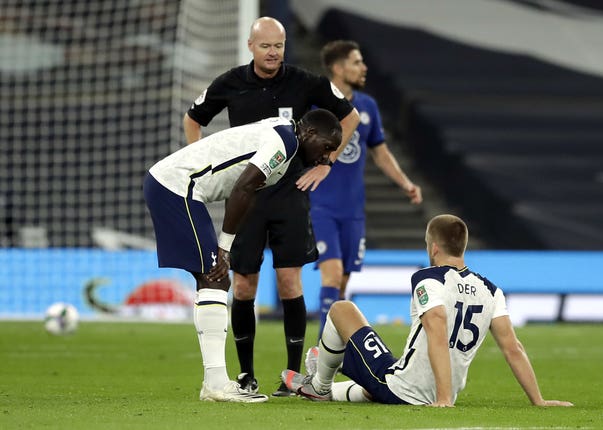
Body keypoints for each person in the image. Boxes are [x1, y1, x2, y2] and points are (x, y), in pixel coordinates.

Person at [183, 16, 359, 397]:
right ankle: (246, 375)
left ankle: (292, 376)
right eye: (265, 46)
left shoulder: (304, 81)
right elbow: (193, 119)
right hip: (246, 196)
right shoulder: (230, 82)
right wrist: (202, 162)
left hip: (289, 195)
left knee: (289, 282)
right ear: (250, 46)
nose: (273, 52)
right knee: (244, 285)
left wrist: (324, 165)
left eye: (278, 45)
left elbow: (350, 116)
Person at [144, 109, 343, 403]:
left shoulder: (285, 134)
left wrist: (225, 246)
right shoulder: (285, 142)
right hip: (178, 187)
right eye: (326, 147)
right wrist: (224, 249)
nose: (326, 158)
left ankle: (214, 382)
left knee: (213, 280)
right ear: (310, 133)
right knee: (215, 279)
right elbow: (244, 188)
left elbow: (246, 190)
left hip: (177, 187)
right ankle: (215, 384)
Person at [282, 214, 574, 407]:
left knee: (342, 309)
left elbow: (436, 327)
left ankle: (320, 385)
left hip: (408, 388)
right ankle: (326, 382)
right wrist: (538, 400)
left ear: (434, 248)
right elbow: (513, 347)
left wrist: (443, 400)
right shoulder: (491, 290)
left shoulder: (429, 278)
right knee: (380, 378)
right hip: (432, 388)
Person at [311, 40, 422, 340]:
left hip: (352, 209)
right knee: (331, 276)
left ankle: (331, 354)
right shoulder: (314, 105)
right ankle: (320, 356)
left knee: (342, 284)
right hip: (319, 204)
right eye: (356, 62)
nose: (364, 67)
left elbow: (380, 153)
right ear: (338, 68)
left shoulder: (367, 106)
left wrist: (406, 183)